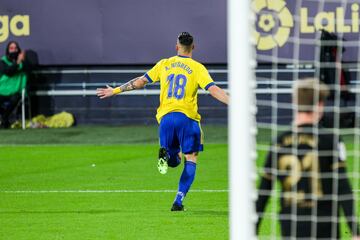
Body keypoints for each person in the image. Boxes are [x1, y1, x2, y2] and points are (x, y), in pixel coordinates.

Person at [97, 32, 229, 211]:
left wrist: (116, 91)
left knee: (174, 161)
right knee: (191, 158)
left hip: (166, 119)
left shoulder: (164, 64)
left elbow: (140, 81)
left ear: (177, 47)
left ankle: (166, 155)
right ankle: (178, 201)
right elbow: (213, 90)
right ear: (194, 47)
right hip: (187, 119)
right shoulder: (198, 68)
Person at [256, 78, 360, 239]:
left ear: (294, 103)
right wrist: (355, 230)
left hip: (290, 227)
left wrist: (252, 228)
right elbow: (342, 186)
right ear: (320, 105)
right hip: (324, 227)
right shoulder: (330, 140)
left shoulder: (279, 142)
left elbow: (264, 189)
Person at [0, 41, 27, 128]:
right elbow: (9, 72)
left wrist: (21, 60)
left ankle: (4, 118)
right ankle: (5, 117)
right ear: (8, 50)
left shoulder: (23, 62)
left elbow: (28, 71)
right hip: (3, 89)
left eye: (15, 48)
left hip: (16, 90)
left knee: (15, 98)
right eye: (11, 48)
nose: (14, 50)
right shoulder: (3, 61)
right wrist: (17, 62)